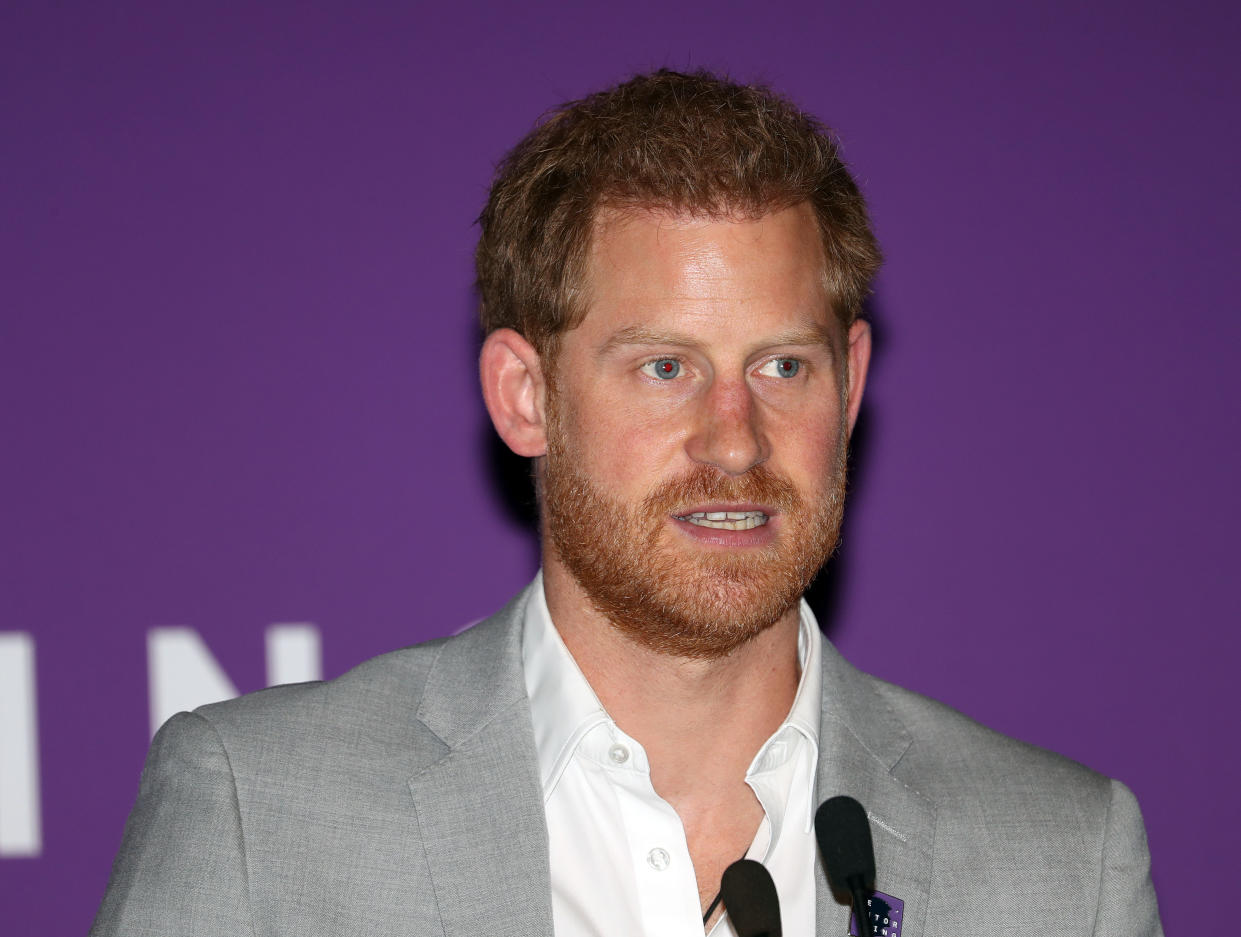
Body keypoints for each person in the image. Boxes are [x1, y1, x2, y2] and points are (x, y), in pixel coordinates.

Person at [91, 69, 1163, 937]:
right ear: (526, 395)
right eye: (663, 368)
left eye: (782, 367)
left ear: (851, 383)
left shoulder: (1061, 861)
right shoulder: (262, 812)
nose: (733, 438)